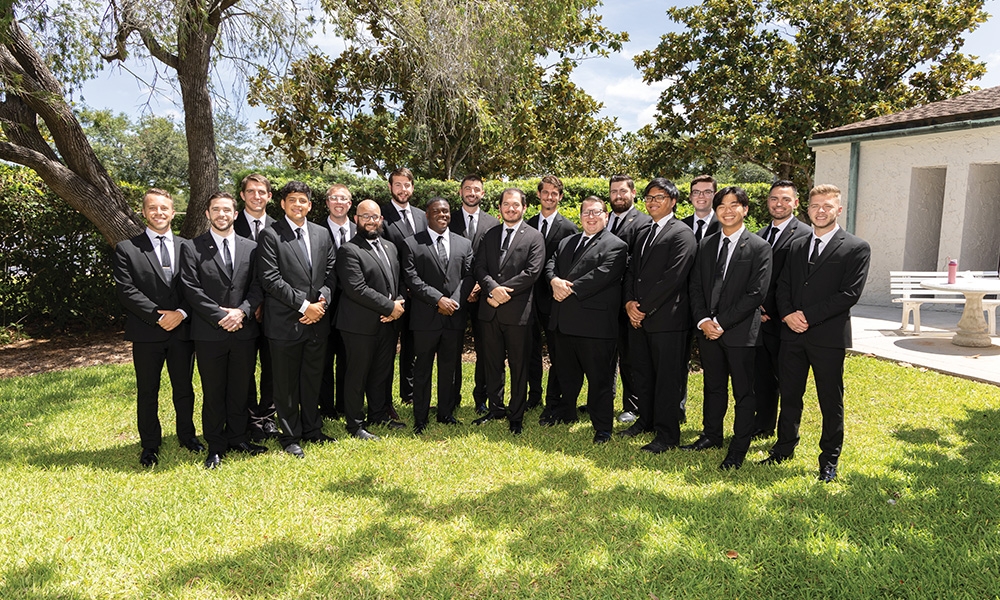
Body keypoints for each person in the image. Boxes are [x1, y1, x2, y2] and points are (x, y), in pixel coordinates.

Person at [761, 184, 871, 483]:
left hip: (827, 337)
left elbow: (849, 293)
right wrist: (787, 314)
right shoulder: (796, 244)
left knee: (830, 400)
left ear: (838, 209)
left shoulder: (856, 247)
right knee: (790, 396)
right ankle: (783, 449)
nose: (820, 211)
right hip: (791, 335)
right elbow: (782, 285)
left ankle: (829, 460)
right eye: (815, 206)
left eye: (827, 206)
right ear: (807, 209)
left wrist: (806, 316)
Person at [684, 186, 772, 470]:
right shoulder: (706, 244)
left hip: (740, 333)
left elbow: (756, 294)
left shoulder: (759, 247)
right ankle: (711, 435)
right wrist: (703, 321)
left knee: (744, 393)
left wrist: (720, 322)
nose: (727, 210)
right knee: (714, 386)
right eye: (722, 205)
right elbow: (695, 286)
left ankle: (738, 448)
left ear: (745, 209)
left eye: (734, 205)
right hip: (708, 331)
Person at [178, 192, 267, 469]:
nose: (222, 214)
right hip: (209, 333)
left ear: (235, 214)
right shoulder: (192, 248)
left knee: (241, 388)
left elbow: (258, 286)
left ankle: (239, 437)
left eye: (227, 210)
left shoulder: (251, 247)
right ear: (207, 214)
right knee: (214, 391)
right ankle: (216, 445)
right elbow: (191, 289)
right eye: (216, 209)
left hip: (243, 330)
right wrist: (220, 315)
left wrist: (241, 311)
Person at [113, 188, 201, 467]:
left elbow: (196, 286)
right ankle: (150, 444)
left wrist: (182, 313)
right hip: (146, 331)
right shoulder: (127, 248)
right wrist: (157, 315)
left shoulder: (189, 246)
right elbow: (126, 290)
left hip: (183, 330)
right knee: (148, 390)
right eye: (153, 208)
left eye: (164, 208)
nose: (159, 213)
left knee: (184, 388)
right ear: (144, 212)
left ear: (173, 212)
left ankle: (187, 435)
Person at [257, 181, 338, 458]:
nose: (298, 205)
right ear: (282, 204)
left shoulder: (322, 233)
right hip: (285, 323)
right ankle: (290, 436)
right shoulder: (270, 235)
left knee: (312, 378)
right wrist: (305, 306)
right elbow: (270, 279)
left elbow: (331, 271)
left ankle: (312, 429)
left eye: (302, 200)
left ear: (310, 205)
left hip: (318, 322)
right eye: (292, 200)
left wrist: (322, 301)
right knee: (286, 384)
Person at [620, 178, 697, 453]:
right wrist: (629, 302)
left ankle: (667, 435)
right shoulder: (643, 231)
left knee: (667, 379)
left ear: (673, 201)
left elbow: (673, 278)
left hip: (668, 320)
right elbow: (631, 270)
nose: (653, 202)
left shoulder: (682, 233)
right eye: (649, 198)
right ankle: (647, 420)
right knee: (643, 374)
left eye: (660, 197)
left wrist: (643, 308)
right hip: (639, 319)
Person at [545, 196, 628, 442]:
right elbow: (551, 264)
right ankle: (566, 411)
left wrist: (567, 288)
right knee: (566, 375)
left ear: (606, 216)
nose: (590, 217)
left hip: (595, 327)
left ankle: (602, 427)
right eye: (586, 213)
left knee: (599, 380)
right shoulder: (566, 242)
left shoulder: (616, 245)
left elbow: (603, 275)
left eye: (596, 212)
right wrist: (553, 280)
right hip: (564, 323)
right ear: (580, 216)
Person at [472, 187, 546, 434]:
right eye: (506, 204)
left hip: (518, 314)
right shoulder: (490, 235)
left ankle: (516, 415)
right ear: (500, 207)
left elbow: (532, 272)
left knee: (518, 366)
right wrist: (492, 289)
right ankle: (496, 409)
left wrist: (501, 292)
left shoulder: (534, 237)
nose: (510, 208)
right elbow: (479, 267)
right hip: (490, 311)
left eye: (515, 205)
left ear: (524, 208)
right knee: (492, 364)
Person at [401, 197, 475, 433]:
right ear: (427, 215)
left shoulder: (464, 244)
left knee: (449, 368)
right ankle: (420, 417)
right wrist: (437, 300)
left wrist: (453, 301)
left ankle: (445, 412)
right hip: (425, 318)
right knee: (422, 368)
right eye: (437, 211)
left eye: (446, 211)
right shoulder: (412, 243)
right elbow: (411, 278)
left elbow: (469, 276)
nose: (442, 215)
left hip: (453, 316)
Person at [336, 200, 407, 440]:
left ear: (381, 220)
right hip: (359, 325)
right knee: (357, 374)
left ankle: (378, 415)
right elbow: (356, 288)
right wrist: (390, 307)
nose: (370, 221)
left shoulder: (389, 247)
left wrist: (397, 304)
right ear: (356, 219)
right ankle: (355, 424)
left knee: (381, 372)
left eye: (375, 217)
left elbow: (397, 281)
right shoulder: (349, 250)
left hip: (387, 323)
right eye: (365, 216)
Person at [752, 180, 810, 440]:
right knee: (761, 379)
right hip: (758, 321)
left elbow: (797, 281)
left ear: (795, 203)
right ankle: (763, 425)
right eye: (774, 198)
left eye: (785, 199)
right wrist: (756, 307)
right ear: (768, 202)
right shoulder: (759, 234)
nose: (779, 204)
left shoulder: (806, 235)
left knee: (788, 383)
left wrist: (773, 308)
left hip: (787, 322)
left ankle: (788, 436)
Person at [449, 174, 500, 414]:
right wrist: (464, 288)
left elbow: (495, 258)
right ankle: (451, 395)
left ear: (482, 194)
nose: (472, 192)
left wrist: (480, 285)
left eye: (476, 189)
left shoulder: (493, 224)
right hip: (455, 294)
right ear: (460, 192)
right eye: (467, 188)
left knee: (485, 348)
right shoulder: (448, 219)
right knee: (452, 346)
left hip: (483, 295)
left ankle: (482, 397)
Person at [233, 173, 279, 442]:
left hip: (274, 311)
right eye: (251, 192)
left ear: (269, 196)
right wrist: (250, 305)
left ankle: (268, 416)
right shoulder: (230, 223)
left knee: (272, 367)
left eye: (262, 192)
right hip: (242, 311)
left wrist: (264, 303)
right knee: (245, 368)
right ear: (243, 195)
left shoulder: (278, 226)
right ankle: (250, 418)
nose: (256, 196)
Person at [603, 174, 653, 423]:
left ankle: (632, 405)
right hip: (603, 301)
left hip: (627, 299)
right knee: (606, 353)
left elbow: (637, 264)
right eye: (614, 192)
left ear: (633, 193)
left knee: (630, 356)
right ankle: (605, 398)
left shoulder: (643, 223)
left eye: (623, 191)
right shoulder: (604, 219)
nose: (618, 196)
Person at [528, 175, 579, 416]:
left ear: (560, 197)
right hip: (527, 300)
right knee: (530, 350)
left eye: (554, 193)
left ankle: (555, 399)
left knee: (558, 353)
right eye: (545, 192)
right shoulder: (527, 224)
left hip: (555, 301)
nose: (549, 197)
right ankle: (533, 395)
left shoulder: (569, 228)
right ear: (538, 195)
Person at [381, 167, 426, 415]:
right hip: (393, 293)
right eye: (397, 185)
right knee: (388, 349)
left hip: (417, 295)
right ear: (390, 187)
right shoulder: (382, 216)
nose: (402, 189)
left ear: (412, 187)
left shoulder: (421, 216)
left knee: (412, 347)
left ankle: (408, 394)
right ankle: (384, 401)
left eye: (406, 185)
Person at [319, 183, 357, 420]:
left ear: (350, 204)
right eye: (334, 198)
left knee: (348, 357)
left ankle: (345, 403)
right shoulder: (316, 231)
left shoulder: (359, 230)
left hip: (354, 306)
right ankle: (326, 407)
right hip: (324, 304)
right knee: (324, 357)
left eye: (344, 199)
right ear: (327, 203)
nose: (339, 202)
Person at [682, 175, 720, 242]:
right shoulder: (682, 225)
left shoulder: (724, 226)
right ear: (690, 196)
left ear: (715, 196)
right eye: (696, 192)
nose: (701, 196)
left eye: (707, 192)